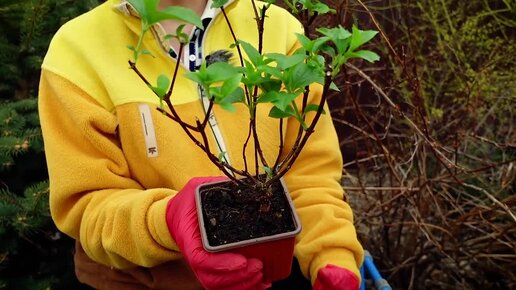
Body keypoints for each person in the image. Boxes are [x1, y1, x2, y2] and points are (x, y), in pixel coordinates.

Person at [38, 0, 364, 289]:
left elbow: (311, 174)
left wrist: (330, 252)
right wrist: (165, 221)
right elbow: (88, 207)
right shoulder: (76, 53)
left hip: (270, 275)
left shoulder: (278, 29)